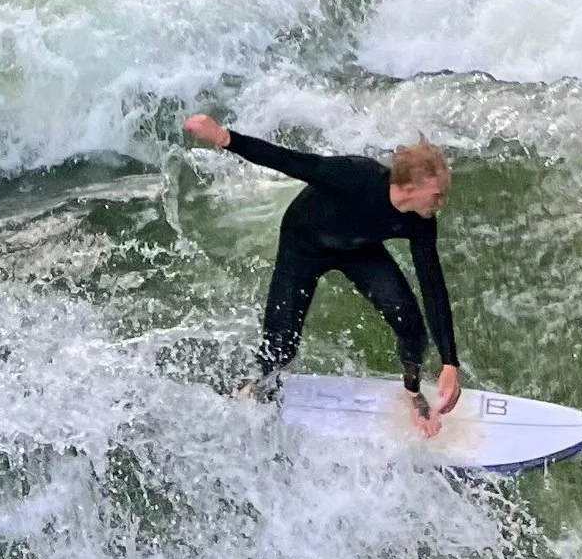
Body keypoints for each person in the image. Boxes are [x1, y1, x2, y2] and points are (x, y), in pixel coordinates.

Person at [183, 112, 464, 434]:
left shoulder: (421, 220)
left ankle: (413, 394)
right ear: (409, 187)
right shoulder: (356, 176)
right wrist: (223, 137)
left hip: (358, 250)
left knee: (411, 326)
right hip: (303, 247)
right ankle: (253, 390)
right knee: (280, 346)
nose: (441, 202)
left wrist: (449, 361)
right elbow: (290, 161)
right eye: (437, 194)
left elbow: (433, 284)